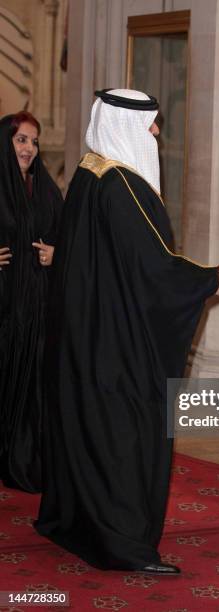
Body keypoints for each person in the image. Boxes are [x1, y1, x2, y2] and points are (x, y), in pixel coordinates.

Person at [34, 89, 219, 575]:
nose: (157, 134)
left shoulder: (88, 172)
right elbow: (155, 269)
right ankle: (122, 544)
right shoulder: (122, 185)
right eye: (151, 125)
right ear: (126, 126)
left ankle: (72, 523)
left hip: (83, 335)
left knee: (85, 428)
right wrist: (213, 278)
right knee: (121, 435)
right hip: (114, 343)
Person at [0, 111, 63, 493]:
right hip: (3, 306)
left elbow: (66, 232)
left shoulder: (43, 188)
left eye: (34, 141)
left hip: (36, 307)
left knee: (33, 383)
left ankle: (22, 459)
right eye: (21, 139)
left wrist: (56, 252)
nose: (29, 148)